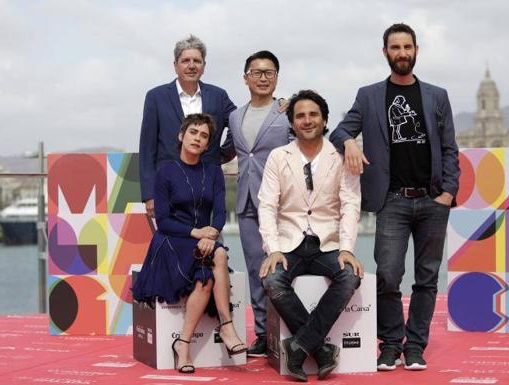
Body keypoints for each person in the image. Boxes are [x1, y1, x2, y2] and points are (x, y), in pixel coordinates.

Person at [329, 23, 460, 371]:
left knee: (426, 278)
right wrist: (350, 141)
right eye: (395, 47)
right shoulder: (369, 95)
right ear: (385, 52)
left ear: (416, 50)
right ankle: (390, 344)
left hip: (433, 201)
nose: (401, 53)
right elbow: (340, 129)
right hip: (392, 201)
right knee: (388, 274)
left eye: (407, 47)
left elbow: (449, 148)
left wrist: (448, 192)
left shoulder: (437, 95)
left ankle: (415, 346)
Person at [259, 90, 364, 382]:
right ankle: (320, 350)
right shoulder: (278, 157)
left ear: (325, 119)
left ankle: (298, 346)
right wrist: (274, 249)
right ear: (292, 123)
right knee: (271, 279)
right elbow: (267, 205)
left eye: (313, 114)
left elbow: (351, 204)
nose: (307, 121)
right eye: (300, 116)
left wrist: (346, 248)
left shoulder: (342, 156)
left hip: (328, 244)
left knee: (350, 276)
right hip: (288, 242)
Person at [132, 114, 247, 374]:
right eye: (194, 132)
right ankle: (226, 327)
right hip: (172, 241)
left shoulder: (213, 171)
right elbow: (163, 221)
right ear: (182, 136)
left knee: (207, 274)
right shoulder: (165, 172)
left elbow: (219, 212)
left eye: (204, 136)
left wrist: (212, 233)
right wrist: (198, 233)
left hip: (204, 240)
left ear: (208, 145)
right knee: (218, 257)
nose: (198, 138)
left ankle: (182, 346)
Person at [221, 50, 292, 357]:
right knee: (255, 270)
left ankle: (289, 331)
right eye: (257, 72)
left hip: (283, 203)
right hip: (247, 201)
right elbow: (230, 152)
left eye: (269, 72)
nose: (263, 78)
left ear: (277, 77)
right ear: (245, 78)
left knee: (286, 268)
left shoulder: (287, 111)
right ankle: (263, 333)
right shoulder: (235, 116)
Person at [139, 35, 236, 219]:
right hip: (168, 187)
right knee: (172, 242)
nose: (191, 65)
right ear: (175, 65)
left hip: (207, 186)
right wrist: (149, 195)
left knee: (209, 242)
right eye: (185, 60)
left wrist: (224, 153)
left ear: (204, 66)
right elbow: (147, 148)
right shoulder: (156, 97)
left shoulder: (218, 95)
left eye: (197, 61)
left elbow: (239, 123)